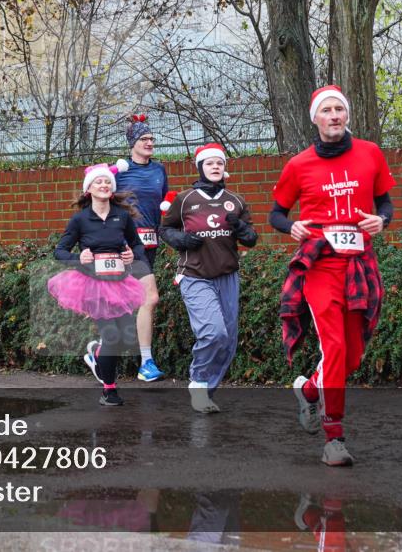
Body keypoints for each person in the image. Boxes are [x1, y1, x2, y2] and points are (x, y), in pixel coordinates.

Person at [269, 85, 395, 467]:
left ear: (347, 115)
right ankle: (334, 437)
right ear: (316, 119)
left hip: (359, 262)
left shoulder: (370, 154)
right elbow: (276, 213)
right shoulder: (299, 164)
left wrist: (382, 219)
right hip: (320, 264)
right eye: (326, 110)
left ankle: (309, 390)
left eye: (340, 109)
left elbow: (385, 201)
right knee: (335, 347)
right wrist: (290, 227)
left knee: (352, 354)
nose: (334, 115)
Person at [160, 144, 257, 414]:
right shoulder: (185, 199)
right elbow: (165, 229)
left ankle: (204, 391)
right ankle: (198, 380)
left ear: (225, 167)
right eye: (209, 163)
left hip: (227, 275)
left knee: (227, 341)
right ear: (200, 167)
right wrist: (181, 240)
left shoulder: (235, 200)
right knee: (213, 332)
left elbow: (251, 238)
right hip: (195, 275)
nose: (215, 167)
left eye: (219, 163)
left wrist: (239, 226)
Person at [48, 162, 147, 406]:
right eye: (97, 182)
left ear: (111, 189)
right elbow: (59, 251)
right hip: (92, 284)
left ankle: (97, 354)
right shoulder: (80, 219)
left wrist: (131, 255)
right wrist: (77, 258)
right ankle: (109, 390)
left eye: (106, 182)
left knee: (127, 338)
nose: (103, 185)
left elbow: (137, 245)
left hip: (119, 283)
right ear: (88, 189)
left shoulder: (121, 216)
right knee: (112, 336)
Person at [115, 114, 170, 381]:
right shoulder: (121, 171)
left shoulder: (159, 170)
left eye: (151, 138)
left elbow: (163, 204)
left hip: (151, 243)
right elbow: (99, 197)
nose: (150, 142)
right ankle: (146, 364)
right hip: (127, 245)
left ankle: (101, 352)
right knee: (150, 298)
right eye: (144, 138)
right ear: (132, 142)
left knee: (130, 302)